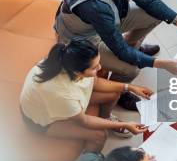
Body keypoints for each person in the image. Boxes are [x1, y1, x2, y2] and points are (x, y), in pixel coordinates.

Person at [20, 39, 149, 151]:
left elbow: (96, 82)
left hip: (60, 103)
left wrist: (130, 87)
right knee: (100, 135)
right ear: (78, 72)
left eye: (98, 62)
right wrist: (124, 125)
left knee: (115, 93)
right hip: (45, 120)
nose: (99, 68)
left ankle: (106, 118)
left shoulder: (67, 61)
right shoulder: (60, 93)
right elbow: (84, 121)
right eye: (94, 67)